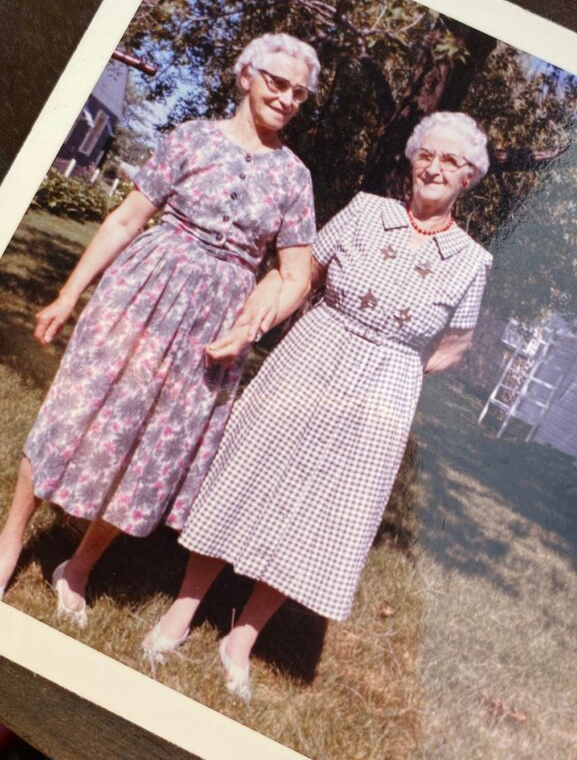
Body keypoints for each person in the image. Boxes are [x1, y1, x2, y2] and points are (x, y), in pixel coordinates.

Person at [143, 111, 493, 699]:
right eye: (427, 155)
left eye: (452, 162)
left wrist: (398, 364)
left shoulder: (473, 261)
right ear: (412, 162)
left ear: (469, 178)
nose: (435, 168)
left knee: (324, 505)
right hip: (315, 350)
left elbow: (455, 345)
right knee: (250, 469)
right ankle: (183, 609)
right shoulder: (364, 211)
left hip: (384, 385)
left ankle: (242, 639)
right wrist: (259, 322)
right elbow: (302, 275)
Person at [0, 32, 320, 632]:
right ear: (247, 75)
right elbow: (127, 218)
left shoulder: (294, 178)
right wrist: (69, 293)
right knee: (78, 408)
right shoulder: (192, 137)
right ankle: (12, 538)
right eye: (277, 82)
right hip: (143, 291)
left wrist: (252, 323)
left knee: (154, 446)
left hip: (217, 323)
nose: (286, 98)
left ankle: (79, 565)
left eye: (299, 93)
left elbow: (294, 274)